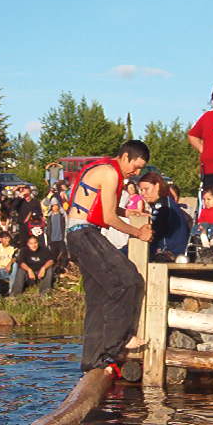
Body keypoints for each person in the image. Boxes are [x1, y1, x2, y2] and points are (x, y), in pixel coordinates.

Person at [66, 140, 152, 374]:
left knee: (98, 297)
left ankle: (92, 362)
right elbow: (110, 218)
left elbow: (103, 207)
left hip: (80, 233)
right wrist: (138, 232)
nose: (136, 173)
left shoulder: (105, 170)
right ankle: (118, 343)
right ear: (125, 157)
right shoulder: (110, 174)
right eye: (135, 167)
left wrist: (128, 212)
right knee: (128, 281)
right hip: (83, 233)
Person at [138, 172, 190, 262]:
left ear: (157, 186)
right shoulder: (166, 202)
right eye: (141, 190)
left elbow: (155, 233)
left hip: (169, 253)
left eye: (146, 189)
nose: (143, 193)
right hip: (175, 252)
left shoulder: (162, 205)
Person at [0, 231, 18, 296]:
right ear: (0, 239)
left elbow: (15, 257)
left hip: (9, 270)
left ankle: (11, 290)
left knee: (15, 265)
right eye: (5, 238)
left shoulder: (14, 247)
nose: (8, 240)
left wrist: (9, 264)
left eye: (8, 238)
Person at [46, 198, 67, 272]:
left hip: (61, 238)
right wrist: (48, 240)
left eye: (56, 205)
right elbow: (48, 229)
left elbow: (65, 226)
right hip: (52, 239)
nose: (55, 207)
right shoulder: (49, 217)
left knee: (63, 254)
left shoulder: (62, 216)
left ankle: (63, 267)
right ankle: (54, 269)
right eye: (53, 206)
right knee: (53, 255)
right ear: (51, 207)